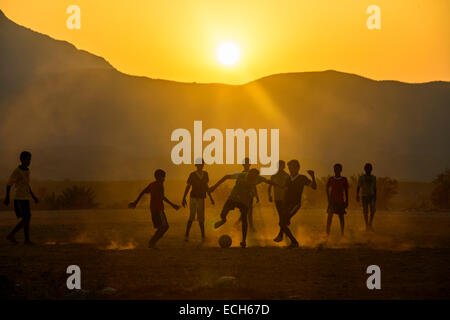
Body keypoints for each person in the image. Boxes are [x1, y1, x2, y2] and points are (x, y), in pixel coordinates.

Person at [210, 168, 277, 248]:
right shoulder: (241, 175)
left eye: (253, 177)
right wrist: (214, 187)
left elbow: (268, 181)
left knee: (244, 220)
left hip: (244, 202)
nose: (251, 178)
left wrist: (280, 185)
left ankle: (243, 241)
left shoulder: (258, 178)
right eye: (250, 176)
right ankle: (223, 219)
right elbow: (226, 177)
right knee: (223, 214)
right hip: (233, 198)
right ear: (248, 174)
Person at [129, 169, 180, 248]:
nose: (164, 179)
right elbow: (162, 197)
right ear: (159, 177)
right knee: (165, 227)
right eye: (163, 177)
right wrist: (173, 205)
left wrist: (135, 202)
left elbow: (143, 192)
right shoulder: (160, 185)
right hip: (159, 209)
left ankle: (152, 242)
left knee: (161, 227)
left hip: (153, 209)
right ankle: (152, 242)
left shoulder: (152, 184)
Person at [274, 160, 317, 247]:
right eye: (289, 168)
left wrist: (312, 176)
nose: (290, 170)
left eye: (292, 168)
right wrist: (283, 204)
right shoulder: (288, 179)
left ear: (297, 168)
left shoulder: (302, 178)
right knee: (282, 222)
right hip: (286, 204)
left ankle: (292, 241)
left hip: (295, 204)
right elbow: (285, 192)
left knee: (282, 222)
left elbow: (314, 187)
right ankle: (286, 237)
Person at [4, 151, 39, 245]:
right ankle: (12, 235)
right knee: (26, 218)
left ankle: (26, 240)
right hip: (19, 198)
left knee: (28, 217)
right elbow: (9, 184)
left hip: (26, 198)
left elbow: (27, 185)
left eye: (30, 159)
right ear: (22, 159)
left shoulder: (27, 171)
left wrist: (33, 196)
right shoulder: (17, 171)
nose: (29, 161)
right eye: (27, 159)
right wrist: (7, 197)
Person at [181, 159, 214, 242]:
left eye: (202, 164)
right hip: (193, 198)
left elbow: (206, 186)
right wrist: (184, 197)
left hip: (201, 198)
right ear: (196, 165)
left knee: (201, 218)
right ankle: (186, 235)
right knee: (191, 216)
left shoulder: (205, 174)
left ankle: (203, 236)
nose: (200, 166)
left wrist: (211, 198)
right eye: (199, 164)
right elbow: (188, 186)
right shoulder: (192, 175)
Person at [268, 160, 289, 240]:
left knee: (282, 217)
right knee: (282, 217)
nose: (280, 167)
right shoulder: (273, 176)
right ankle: (285, 233)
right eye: (279, 165)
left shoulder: (287, 176)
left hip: (285, 199)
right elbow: (270, 186)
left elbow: (289, 188)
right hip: (277, 199)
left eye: (282, 165)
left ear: (284, 167)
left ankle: (281, 235)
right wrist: (269, 195)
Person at [326, 163, 349, 237]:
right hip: (332, 202)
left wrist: (347, 200)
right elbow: (326, 188)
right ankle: (327, 234)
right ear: (334, 170)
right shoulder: (331, 179)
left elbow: (346, 190)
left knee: (341, 218)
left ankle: (342, 233)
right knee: (329, 218)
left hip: (340, 201)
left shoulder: (344, 179)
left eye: (338, 169)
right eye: (335, 169)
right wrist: (328, 199)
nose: (336, 170)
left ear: (341, 170)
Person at [236, 157, 259, 230]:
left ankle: (251, 226)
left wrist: (257, 195)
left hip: (250, 195)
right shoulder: (241, 174)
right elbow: (237, 185)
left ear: (249, 164)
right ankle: (241, 224)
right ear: (243, 164)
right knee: (245, 211)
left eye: (247, 163)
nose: (246, 165)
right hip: (243, 195)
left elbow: (254, 185)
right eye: (245, 163)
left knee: (249, 211)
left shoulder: (252, 173)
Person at [356, 163, 377, 231]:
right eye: (367, 168)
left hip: (371, 196)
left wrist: (375, 196)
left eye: (369, 168)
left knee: (373, 210)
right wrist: (357, 195)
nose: (368, 170)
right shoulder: (362, 177)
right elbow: (358, 187)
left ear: (371, 169)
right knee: (365, 211)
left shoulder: (373, 177)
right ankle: (367, 225)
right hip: (364, 196)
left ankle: (370, 223)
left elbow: (375, 188)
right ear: (364, 169)